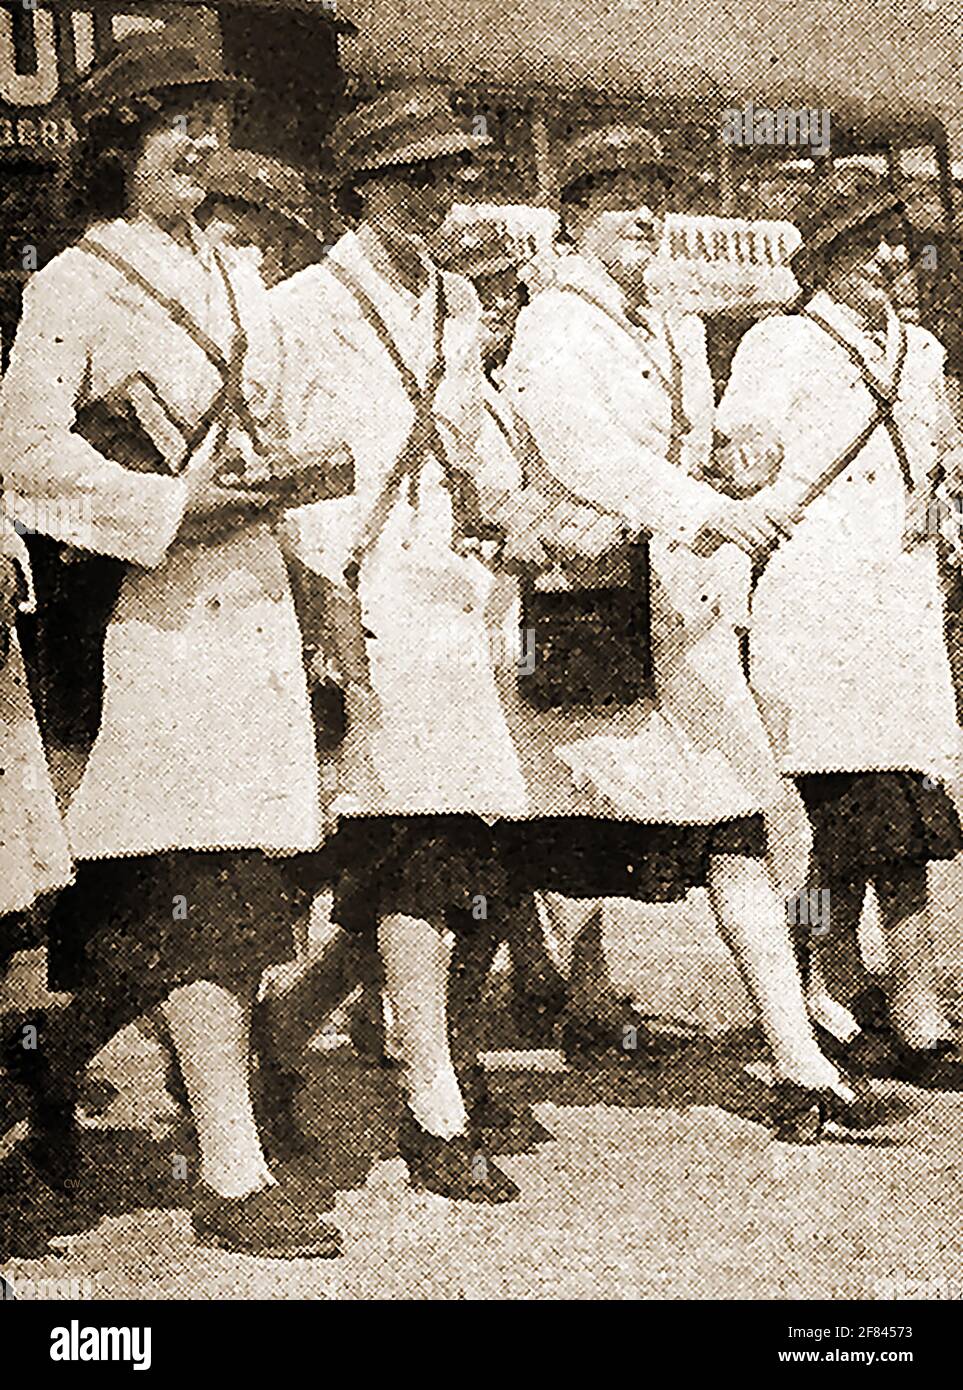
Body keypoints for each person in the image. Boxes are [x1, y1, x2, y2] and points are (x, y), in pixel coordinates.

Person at [0, 32, 346, 1257]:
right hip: (151, 624)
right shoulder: (75, 284)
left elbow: (284, 430)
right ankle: (233, 1175)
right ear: (113, 145)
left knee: (184, 899)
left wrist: (320, 587)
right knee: (210, 900)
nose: (199, 140)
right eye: (169, 121)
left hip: (252, 607)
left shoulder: (239, 273)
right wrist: (164, 511)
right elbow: (29, 457)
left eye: (209, 117)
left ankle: (31, 1063)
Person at [495, 124, 876, 1139]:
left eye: (652, 194)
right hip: (577, 612)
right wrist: (706, 509)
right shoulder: (552, 325)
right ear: (573, 216)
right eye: (618, 195)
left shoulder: (660, 318)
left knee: (740, 822)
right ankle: (334, 1035)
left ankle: (799, 1063)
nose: (643, 215)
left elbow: (685, 441)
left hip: (671, 614)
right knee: (496, 851)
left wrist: (734, 454)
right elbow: (581, 451)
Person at [273, 80, 538, 1200]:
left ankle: (280, 1036)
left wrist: (518, 509)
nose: (435, 196)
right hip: (363, 603)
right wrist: (326, 601)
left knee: (454, 866)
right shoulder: (301, 306)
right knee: (416, 861)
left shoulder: (459, 302)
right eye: (411, 177)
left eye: (448, 175)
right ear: (361, 185)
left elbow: (475, 437)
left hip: (453, 607)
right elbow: (282, 472)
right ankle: (434, 1104)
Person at [717, 172, 963, 1089]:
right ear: (819, 256)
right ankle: (852, 992)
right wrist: (743, 466)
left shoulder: (922, 349)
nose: (890, 259)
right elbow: (740, 451)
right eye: (867, 243)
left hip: (896, 606)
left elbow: (933, 456)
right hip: (817, 603)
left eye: (897, 241)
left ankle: (881, 994)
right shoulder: (779, 341)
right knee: (842, 815)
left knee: (902, 799)